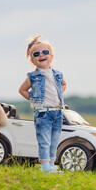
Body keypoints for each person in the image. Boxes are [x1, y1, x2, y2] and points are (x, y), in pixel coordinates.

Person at [19, 35, 66, 173]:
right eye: (36, 54)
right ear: (33, 60)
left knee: (54, 140)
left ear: (51, 56)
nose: (41, 55)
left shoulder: (57, 74)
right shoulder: (32, 76)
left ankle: (51, 164)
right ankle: (45, 167)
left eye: (45, 52)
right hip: (43, 113)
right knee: (44, 140)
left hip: (57, 112)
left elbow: (64, 84)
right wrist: (34, 99)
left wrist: (60, 94)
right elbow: (22, 90)